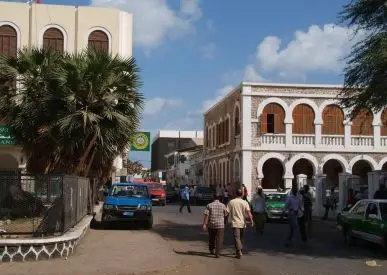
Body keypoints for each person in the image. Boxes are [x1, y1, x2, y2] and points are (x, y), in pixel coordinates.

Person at [227, 188, 254, 259]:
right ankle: (239, 250)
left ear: (235, 194)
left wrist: (225, 220)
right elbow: (249, 212)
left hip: (235, 223)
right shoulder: (244, 202)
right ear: (242, 194)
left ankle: (239, 251)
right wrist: (251, 221)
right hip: (243, 223)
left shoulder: (231, 202)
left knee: (237, 238)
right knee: (241, 238)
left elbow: (227, 212)